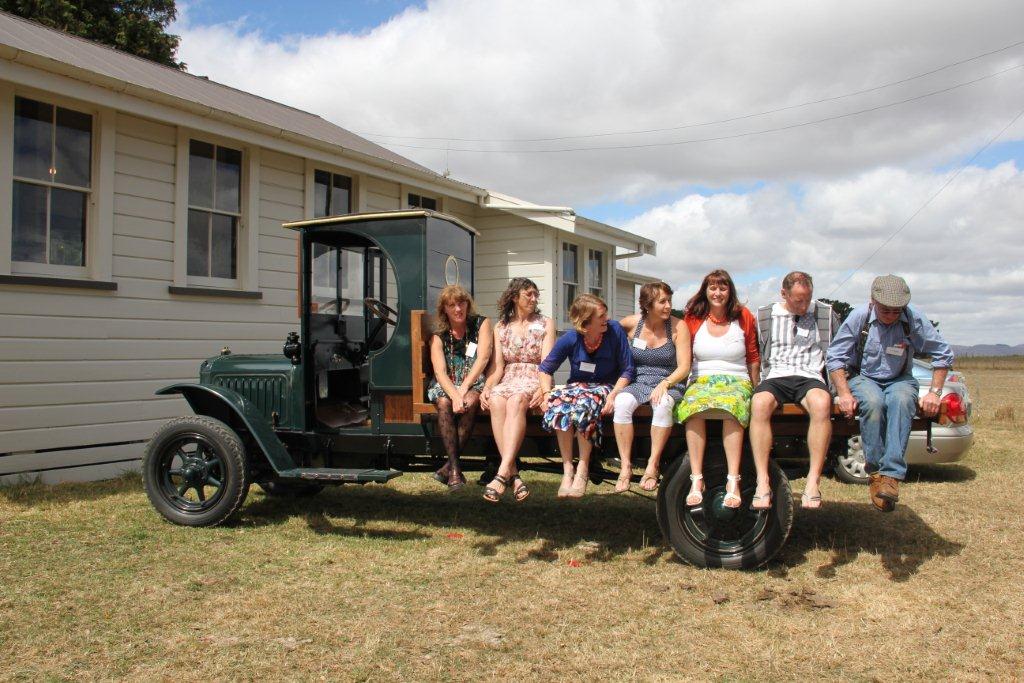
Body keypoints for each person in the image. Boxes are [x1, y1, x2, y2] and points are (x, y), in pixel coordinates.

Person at [826, 274, 953, 511]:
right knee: (873, 402)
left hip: (900, 378)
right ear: (872, 300)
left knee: (902, 401)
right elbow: (835, 356)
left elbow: (943, 353)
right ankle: (875, 472)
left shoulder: (913, 318)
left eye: (897, 311)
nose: (892, 315)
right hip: (863, 377)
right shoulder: (859, 317)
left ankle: (891, 477)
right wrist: (844, 393)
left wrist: (934, 393)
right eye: (886, 310)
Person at [748, 271, 839, 510]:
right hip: (776, 374)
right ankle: (762, 480)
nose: (804, 305)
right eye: (798, 300)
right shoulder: (765, 315)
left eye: (807, 299)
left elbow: (838, 351)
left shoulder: (825, 314)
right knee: (759, 403)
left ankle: (813, 481)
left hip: (809, 374)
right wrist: (755, 381)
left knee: (821, 402)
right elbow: (754, 351)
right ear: (784, 294)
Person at [674, 269, 760, 509]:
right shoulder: (693, 317)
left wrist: (755, 388)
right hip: (702, 380)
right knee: (692, 406)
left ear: (730, 291)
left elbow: (753, 356)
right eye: (712, 288)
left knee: (732, 405)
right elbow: (684, 354)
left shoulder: (743, 316)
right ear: (705, 291)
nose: (717, 293)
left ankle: (733, 479)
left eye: (723, 288)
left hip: (736, 380)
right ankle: (696, 478)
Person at [538, 293, 634, 498]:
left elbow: (628, 369)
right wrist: (546, 393)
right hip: (577, 386)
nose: (607, 318)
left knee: (585, 406)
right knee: (559, 405)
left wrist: (614, 395)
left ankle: (582, 467)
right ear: (585, 323)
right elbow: (545, 369)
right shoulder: (571, 338)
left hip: (606, 386)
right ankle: (567, 469)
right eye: (601, 316)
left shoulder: (615, 331)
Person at [480, 278, 556, 503]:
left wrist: (543, 388)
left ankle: (502, 473)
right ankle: (512, 475)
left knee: (516, 401)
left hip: (535, 376)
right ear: (515, 297)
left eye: (535, 294)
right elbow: (498, 367)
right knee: (495, 400)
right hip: (508, 377)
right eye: (528, 294)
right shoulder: (501, 327)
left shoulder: (545, 323)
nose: (534, 298)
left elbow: (547, 363)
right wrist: (487, 387)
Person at [613, 282, 691, 492]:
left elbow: (684, 367)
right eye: (662, 301)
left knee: (663, 404)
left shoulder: (678, 326)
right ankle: (625, 466)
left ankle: (652, 464)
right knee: (622, 402)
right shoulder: (631, 324)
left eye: (669, 301)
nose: (668, 306)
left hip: (668, 380)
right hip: (638, 381)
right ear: (647, 305)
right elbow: (608, 333)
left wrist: (665, 384)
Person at [427, 285, 492, 491]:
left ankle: (448, 468)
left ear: (468, 304)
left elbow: (483, 358)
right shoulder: (438, 336)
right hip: (446, 384)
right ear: (444, 309)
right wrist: (455, 395)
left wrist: (463, 389)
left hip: (472, 382)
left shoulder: (481, 323)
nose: (458, 309)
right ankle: (455, 470)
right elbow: (440, 373)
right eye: (451, 305)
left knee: (470, 401)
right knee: (443, 402)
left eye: (461, 303)